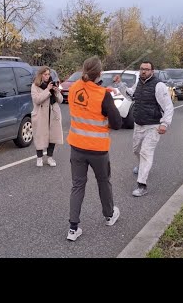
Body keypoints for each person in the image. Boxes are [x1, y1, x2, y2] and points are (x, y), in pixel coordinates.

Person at [66, 56, 123, 241]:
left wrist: (102, 89)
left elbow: (86, 97)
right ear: (100, 73)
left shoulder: (74, 88)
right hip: (98, 149)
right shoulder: (103, 95)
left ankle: (73, 228)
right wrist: (108, 96)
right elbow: (117, 123)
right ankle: (109, 215)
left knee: (77, 185)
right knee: (103, 181)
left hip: (76, 147)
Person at [111, 60, 174, 197]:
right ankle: (142, 167)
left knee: (146, 152)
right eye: (141, 69)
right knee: (136, 150)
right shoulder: (138, 83)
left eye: (146, 69)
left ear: (152, 71)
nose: (143, 71)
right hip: (138, 124)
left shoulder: (159, 86)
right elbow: (130, 95)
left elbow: (168, 106)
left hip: (153, 125)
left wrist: (165, 124)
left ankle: (142, 185)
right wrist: (120, 84)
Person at [31, 66, 63, 167]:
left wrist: (56, 91)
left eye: (48, 74)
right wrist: (48, 90)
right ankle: (39, 158)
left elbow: (61, 100)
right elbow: (37, 99)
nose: (47, 76)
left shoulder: (52, 84)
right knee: (40, 136)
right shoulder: (35, 86)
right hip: (41, 114)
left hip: (53, 113)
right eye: (45, 74)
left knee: (52, 136)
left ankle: (50, 157)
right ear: (40, 75)